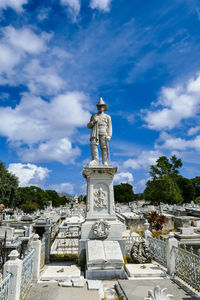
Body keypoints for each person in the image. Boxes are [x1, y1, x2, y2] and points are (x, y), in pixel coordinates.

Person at [87, 97, 112, 165]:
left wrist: (109, 135)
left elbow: (109, 127)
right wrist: (93, 122)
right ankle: (95, 160)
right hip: (95, 133)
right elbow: (88, 126)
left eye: (101, 106)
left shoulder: (107, 117)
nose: (100, 108)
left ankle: (105, 161)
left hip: (103, 132)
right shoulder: (94, 116)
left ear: (104, 107)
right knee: (93, 145)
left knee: (104, 147)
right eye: (99, 106)